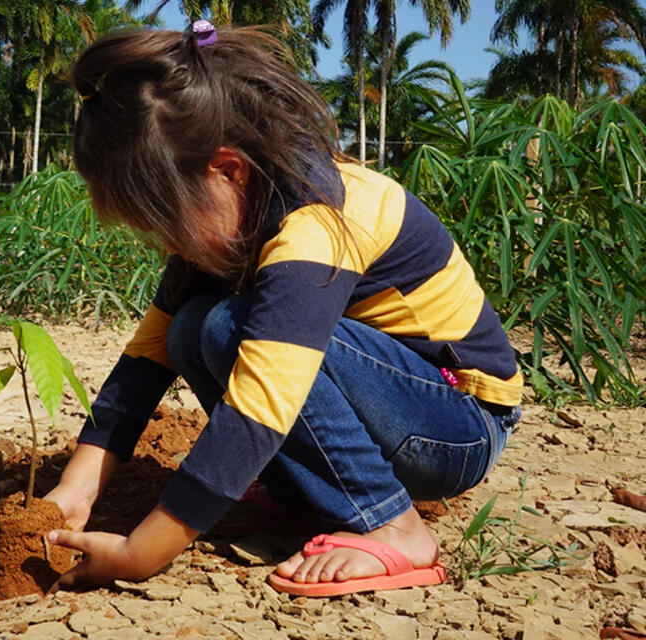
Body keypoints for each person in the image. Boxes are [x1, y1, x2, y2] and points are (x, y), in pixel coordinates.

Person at [44, 21, 522, 597]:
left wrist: (141, 552)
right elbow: (145, 361)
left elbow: (264, 400)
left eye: (166, 221)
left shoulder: (319, 221)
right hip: (392, 407)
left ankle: (395, 525)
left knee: (229, 327)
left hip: (457, 423)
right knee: (190, 328)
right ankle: (295, 492)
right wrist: (77, 488)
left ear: (226, 170)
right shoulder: (234, 215)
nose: (168, 245)